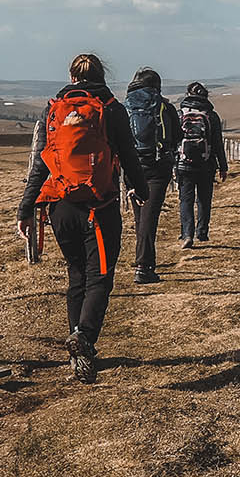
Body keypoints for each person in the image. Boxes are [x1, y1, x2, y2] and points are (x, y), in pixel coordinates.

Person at [17, 53, 146, 384]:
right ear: (102, 76)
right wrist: (140, 189)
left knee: (77, 275)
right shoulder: (111, 108)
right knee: (100, 276)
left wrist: (26, 209)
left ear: (71, 77)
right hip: (98, 208)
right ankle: (84, 338)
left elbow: (41, 163)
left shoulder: (54, 110)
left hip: (59, 207)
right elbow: (128, 154)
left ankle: (78, 347)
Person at [123, 67, 180, 285]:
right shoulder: (164, 105)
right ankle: (143, 267)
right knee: (149, 216)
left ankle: (143, 259)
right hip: (157, 168)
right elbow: (177, 136)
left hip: (131, 168)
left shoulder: (126, 106)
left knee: (140, 216)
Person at [175, 81, 229, 247]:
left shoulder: (180, 114)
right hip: (207, 164)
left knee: (185, 199)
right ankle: (202, 232)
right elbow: (218, 144)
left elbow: (174, 139)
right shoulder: (211, 116)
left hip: (184, 164)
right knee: (204, 199)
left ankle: (186, 234)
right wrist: (223, 166)